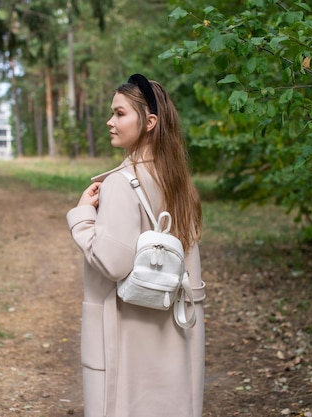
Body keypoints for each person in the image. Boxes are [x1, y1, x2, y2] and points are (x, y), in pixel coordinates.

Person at [66, 74, 205, 417]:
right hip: (175, 328)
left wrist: (83, 217)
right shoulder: (177, 181)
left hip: (124, 335)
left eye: (119, 113)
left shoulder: (119, 184)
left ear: (150, 122)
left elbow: (113, 262)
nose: (110, 122)